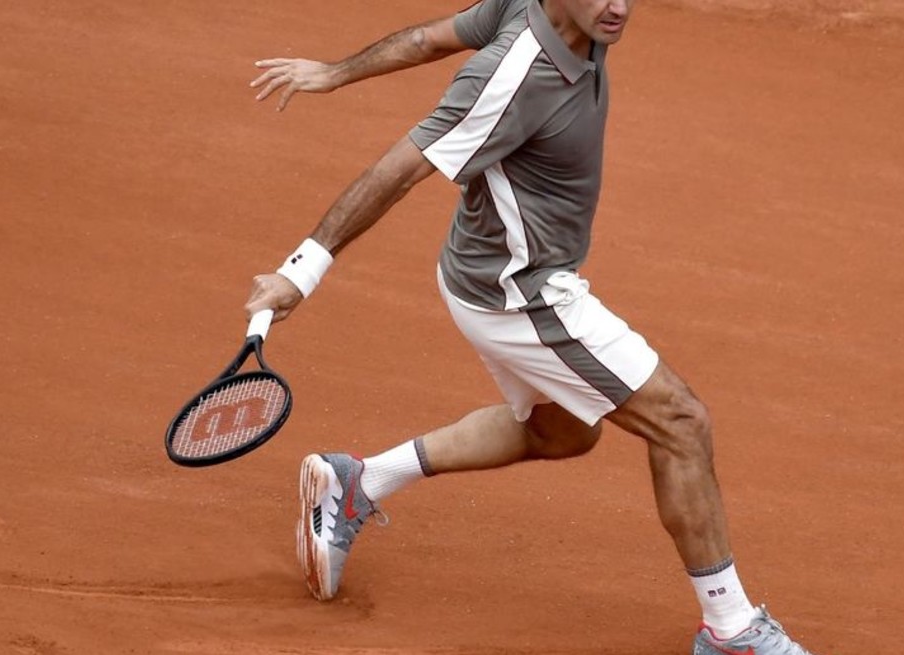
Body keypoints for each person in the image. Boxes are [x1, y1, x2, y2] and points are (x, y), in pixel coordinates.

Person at [241, 1, 821, 654]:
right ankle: (732, 628)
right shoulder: (517, 73)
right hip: (522, 296)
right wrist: (302, 270)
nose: (620, 7)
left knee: (562, 430)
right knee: (680, 422)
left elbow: (429, 39)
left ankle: (359, 480)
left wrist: (335, 72)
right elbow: (401, 168)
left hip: (485, 271)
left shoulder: (544, 9)